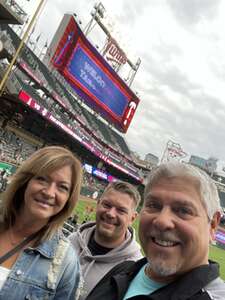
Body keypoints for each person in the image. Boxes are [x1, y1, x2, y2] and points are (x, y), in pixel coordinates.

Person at [86, 162, 225, 300]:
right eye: (153, 205)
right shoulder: (123, 270)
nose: (162, 221)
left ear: (213, 224)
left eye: (183, 210)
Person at [0, 146, 83, 300]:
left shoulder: (66, 262)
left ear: (68, 199)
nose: (49, 192)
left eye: (62, 187)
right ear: (26, 181)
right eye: (42, 179)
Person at [69, 180, 143, 299]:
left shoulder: (133, 269)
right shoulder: (72, 241)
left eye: (121, 210)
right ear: (98, 204)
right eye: (107, 205)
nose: (111, 214)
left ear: (132, 218)